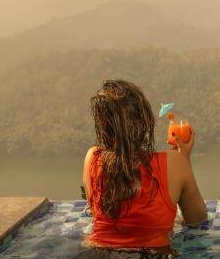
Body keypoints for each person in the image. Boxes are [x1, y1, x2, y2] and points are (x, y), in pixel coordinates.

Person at [82, 80, 207, 249]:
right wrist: (184, 159)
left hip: (96, 257)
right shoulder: (175, 163)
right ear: (144, 122)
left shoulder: (92, 159)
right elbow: (197, 220)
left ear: (101, 126)